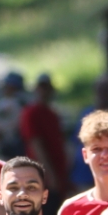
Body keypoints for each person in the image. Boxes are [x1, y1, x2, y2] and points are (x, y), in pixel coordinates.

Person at [20, 74, 73, 203]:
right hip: (42, 175)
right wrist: (49, 174)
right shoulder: (31, 113)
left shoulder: (53, 114)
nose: (44, 91)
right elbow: (35, 144)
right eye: (42, 87)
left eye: (47, 88)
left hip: (58, 172)